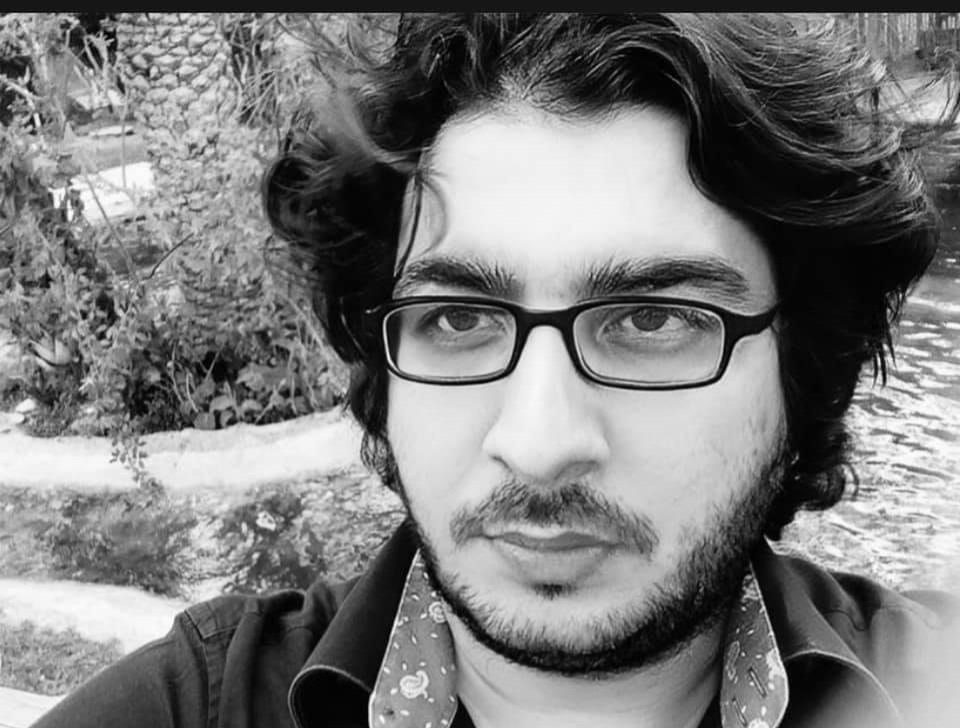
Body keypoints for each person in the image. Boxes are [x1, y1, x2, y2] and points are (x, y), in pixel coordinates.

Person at [32, 12, 960, 728]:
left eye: (652, 319)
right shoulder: (191, 708)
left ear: (803, 368)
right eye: (459, 319)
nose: (539, 443)